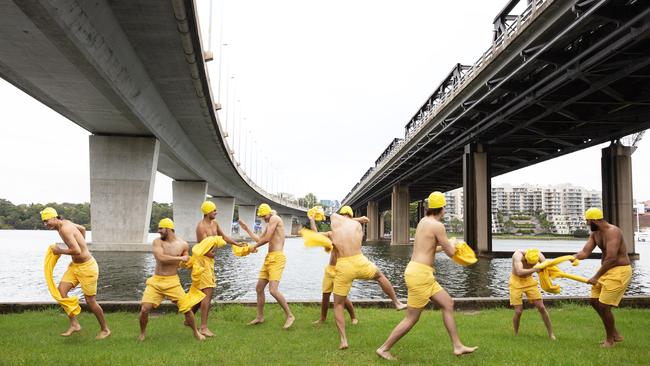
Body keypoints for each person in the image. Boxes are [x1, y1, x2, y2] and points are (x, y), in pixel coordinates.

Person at [376, 192, 477, 360]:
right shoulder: (438, 226)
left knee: (447, 303)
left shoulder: (423, 222)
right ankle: (384, 348)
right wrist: (455, 244)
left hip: (420, 272)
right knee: (412, 318)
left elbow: (430, 248)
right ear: (442, 208)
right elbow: (451, 253)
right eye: (444, 207)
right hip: (420, 275)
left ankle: (458, 346)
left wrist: (448, 245)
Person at [330, 205, 407, 350]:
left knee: (338, 304)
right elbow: (356, 222)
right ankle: (397, 302)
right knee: (380, 276)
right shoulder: (357, 226)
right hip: (359, 261)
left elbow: (339, 218)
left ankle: (343, 340)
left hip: (344, 264)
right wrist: (360, 219)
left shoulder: (335, 220)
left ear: (342, 214)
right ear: (352, 216)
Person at [41, 207, 111, 339]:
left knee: (90, 301)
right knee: (62, 290)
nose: (46, 224)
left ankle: (105, 329)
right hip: (75, 266)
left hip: (87, 268)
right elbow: (83, 228)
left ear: (55, 217)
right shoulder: (66, 223)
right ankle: (74, 324)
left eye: (47, 220)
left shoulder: (64, 229)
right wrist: (81, 242)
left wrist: (59, 251)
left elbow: (77, 251)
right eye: (43, 222)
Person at [139, 218, 205, 341]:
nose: (158, 231)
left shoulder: (183, 244)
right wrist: (180, 259)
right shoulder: (157, 242)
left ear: (168, 229)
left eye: (161, 228)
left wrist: (190, 264)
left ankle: (196, 333)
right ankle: (142, 333)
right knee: (144, 309)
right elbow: (161, 258)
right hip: (156, 281)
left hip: (172, 282)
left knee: (186, 308)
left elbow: (185, 263)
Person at [573, 207, 632, 348]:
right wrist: (573, 257)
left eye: (588, 221)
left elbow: (611, 258)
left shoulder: (613, 232)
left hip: (619, 270)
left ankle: (610, 340)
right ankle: (615, 334)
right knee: (594, 301)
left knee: (604, 306)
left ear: (595, 220)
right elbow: (585, 252)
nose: (587, 224)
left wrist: (595, 276)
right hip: (605, 271)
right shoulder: (595, 233)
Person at [238, 204, 295, 329]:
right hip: (269, 258)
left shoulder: (275, 219)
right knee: (259, 288)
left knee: (273, 290)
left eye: (264, 216)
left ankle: (290, 315)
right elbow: (260, 239)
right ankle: (260, 317)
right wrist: (247, 229)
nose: (263, 218)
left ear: (269, 213)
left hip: (277, 258)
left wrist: (253, 247)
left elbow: (268, 239)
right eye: (261, 217)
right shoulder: (270, 222)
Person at [193, 200, 244, 337]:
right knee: (208, 292)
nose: (216, 212)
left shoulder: (215, 224)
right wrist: (214, 251)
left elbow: (224, 237)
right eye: (214, 210)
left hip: (210, 260)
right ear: (208, 211)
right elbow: (203, 249)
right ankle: (203, 327)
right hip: (202, 261)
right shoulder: (201, 227)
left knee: (201, 293)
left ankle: (189, 317)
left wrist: (237, 244)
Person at [306, 210, 358, 325]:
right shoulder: (332, 234)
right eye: (342, 218)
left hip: (342, 269)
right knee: (325, 295)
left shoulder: (352, 234)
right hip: (330, 269)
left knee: (342, 297)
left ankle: (353, 317)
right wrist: (312, 220)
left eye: (346, 218)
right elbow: (315, 235)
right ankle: (322, 318)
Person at [509, 248, 555, 339]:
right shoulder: (517, 255)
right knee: (518, 311)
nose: (530, 264)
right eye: (529, 263)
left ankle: (551, 334)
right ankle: (516, 334)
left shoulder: (538, 255)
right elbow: (519, 272)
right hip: (516, 281)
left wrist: (549, 272)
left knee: (541, 307)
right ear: (526, 258)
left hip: (529, 281)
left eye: (533, 263)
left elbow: (546, 266)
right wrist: (535, 269)